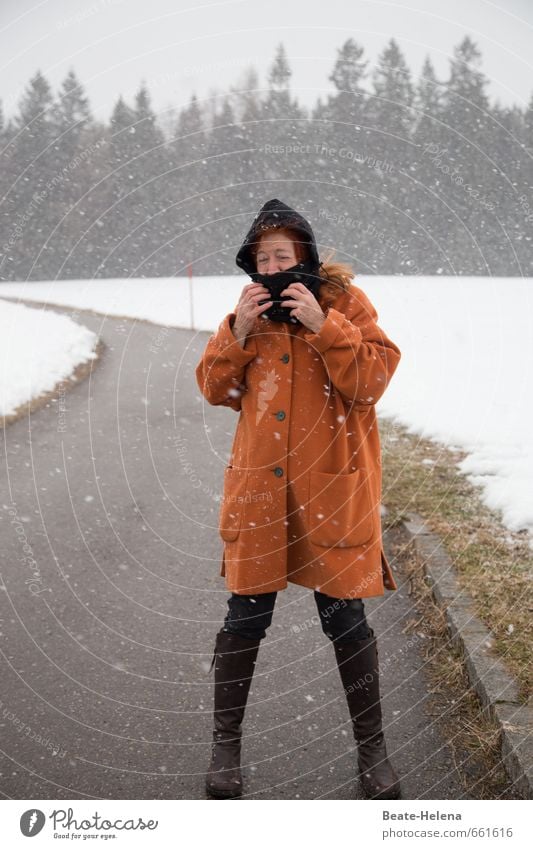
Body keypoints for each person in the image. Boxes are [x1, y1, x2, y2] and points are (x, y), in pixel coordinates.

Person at [195, 198, 402, 800]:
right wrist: (238, 333)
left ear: (306, 256)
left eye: (283, 254)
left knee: (346, 619)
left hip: (333, 489)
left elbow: (372, 382)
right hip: (261, 492)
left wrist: (322, 324)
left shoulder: (344, 306)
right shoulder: (246, 314)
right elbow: (213, 387)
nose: (274, 265)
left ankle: (374, 754)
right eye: (263, 257)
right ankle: (225, 750)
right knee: (246, 616)